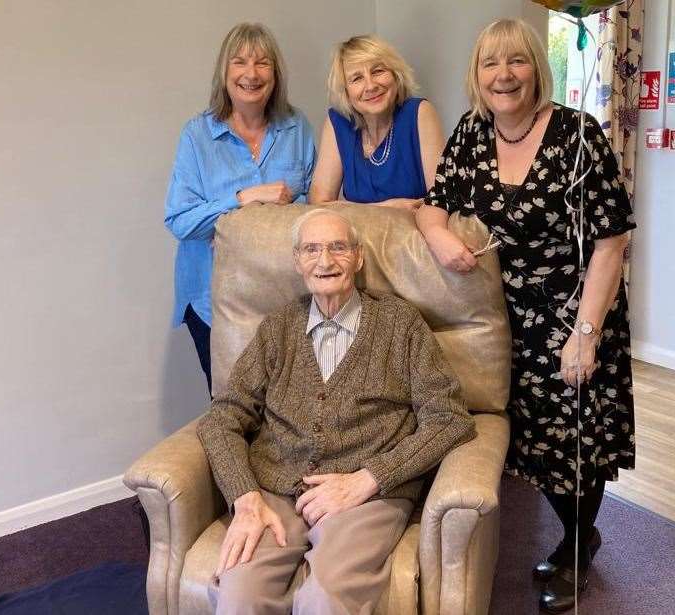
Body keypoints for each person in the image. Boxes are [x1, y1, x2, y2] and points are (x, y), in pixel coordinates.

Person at [416, 19, 636, 613]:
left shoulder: (579, 135)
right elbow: (432, 208)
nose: (503, 75)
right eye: (491, 64)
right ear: (477, 75)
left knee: (578, 443)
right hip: (500, 323)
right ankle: (577, 536)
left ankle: (575, 547)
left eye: (516, 62)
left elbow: (611, 242)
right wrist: (440, 240)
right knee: (534, 445)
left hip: (575, 315)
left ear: (537, 68)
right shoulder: (469, 133)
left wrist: (585, 335)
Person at [197, 209, 475, 615]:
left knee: (325, 599)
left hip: (366, 498)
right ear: (297, 263)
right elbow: (223, 416)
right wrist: (244, 497)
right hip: (277, 489)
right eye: (311, 249)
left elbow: (449, 418)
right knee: (240, 598)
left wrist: (370, 478)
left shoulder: (400, 324)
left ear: (358, 258)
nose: (325, 261)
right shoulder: (278, 329)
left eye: (337, 247)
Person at [165, 23, 316, 394]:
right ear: (225, 72)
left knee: (293, 409)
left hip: (287, 298)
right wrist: (242, 199)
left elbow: (319, 208)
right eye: (240, 62)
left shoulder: (297, 128)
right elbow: (179, 219)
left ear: (275, 74)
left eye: (262, 63)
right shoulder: (197, 135)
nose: (251, 74)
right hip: (212, 302)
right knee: (233, 410)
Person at [308, 35, 444, 210]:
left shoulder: (419, 113)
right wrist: (387, 208)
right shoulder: (339, 122)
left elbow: (441, 200)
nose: (370, 86)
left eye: (378, 71)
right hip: (355, 235)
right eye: (357, 78)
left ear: (396, 75)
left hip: (412, 234)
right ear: (346, 92)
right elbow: (319, 204)